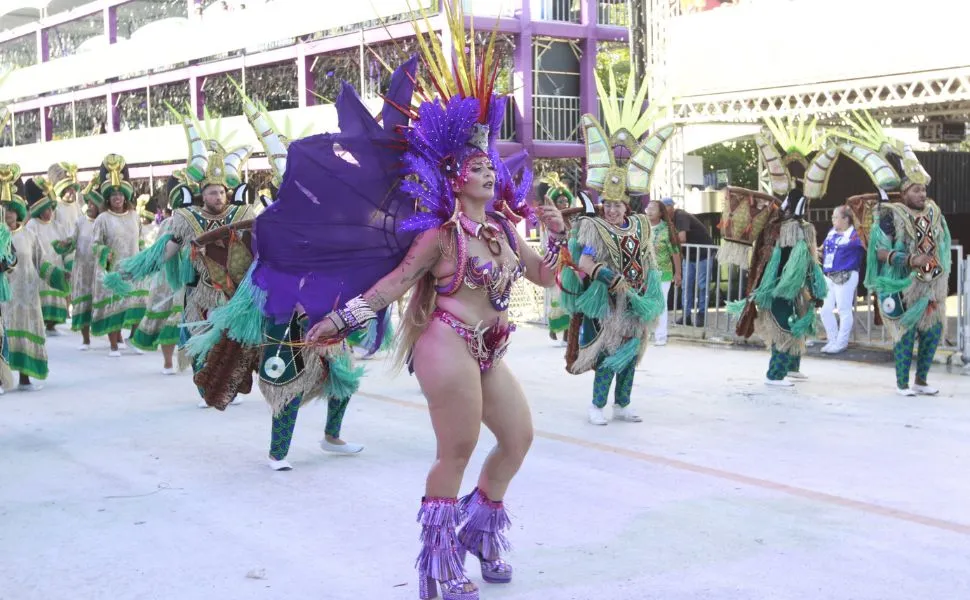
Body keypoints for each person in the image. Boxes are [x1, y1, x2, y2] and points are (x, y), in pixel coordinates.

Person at [248, 13, 567, 596]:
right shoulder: (440, 235)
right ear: (454, 175)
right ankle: (439, 563)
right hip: (445, 340)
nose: (488, 170)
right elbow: (394, 284)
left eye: (490, 163)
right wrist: (341, 320)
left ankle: (479, 530)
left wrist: (559, 235)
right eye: (476, 165)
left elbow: (546, 278)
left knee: (518, 438)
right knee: (459, 447)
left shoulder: (500, 228)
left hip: (490, 347)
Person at [103, 112, 254, 406]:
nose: (218, 197)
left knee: (231, 343)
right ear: (202, 194)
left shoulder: (242, 215)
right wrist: (129, 273)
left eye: (222, 192)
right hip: (199, 293)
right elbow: (166, 250)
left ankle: (226, 387)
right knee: (198, 343)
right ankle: (204, 390)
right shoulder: (187, 220)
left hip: (231, 294)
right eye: (212, 192)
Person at [560, 69, 670, 425]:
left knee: (632, 354)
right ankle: (597, 406)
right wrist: (609, 277)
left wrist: (649, 287)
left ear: (627, 205)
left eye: (617, 205)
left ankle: (623, 404)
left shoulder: (640, 225)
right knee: (608, 354)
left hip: (637, 300)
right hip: (606, 303)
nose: (611, 209)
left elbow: (648, 259)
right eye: (607, 204)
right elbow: (585, 262)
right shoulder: (592, 227)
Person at [847, 116, 952, 396]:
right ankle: (903, 384)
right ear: (904, 192)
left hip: (930, 285)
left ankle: (922, 382)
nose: (923, 193)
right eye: (917, 190)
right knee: (905, 337)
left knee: (931, 334)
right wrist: (908, 260)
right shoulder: (891, 216)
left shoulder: (934, 213)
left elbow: (941, 243)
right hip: (902, 287)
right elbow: (879, 252)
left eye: (924, 189)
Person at [1, 169, 70, 390]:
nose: (8, 214)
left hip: (27, 296)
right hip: (4, 298)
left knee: (26, 332)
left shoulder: (29, 235)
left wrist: (61, 276)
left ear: (19, 211)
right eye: (3, 209)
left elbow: (42, 263)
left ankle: (24, 377)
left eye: (12, 210)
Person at [90, 155, 147, 357]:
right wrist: (105, 253)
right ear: (108, 199)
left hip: (134, 267)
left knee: (138, 304)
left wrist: (144, 258)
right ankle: (114, 345)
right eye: (113, 195)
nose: (117, 198)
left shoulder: (134, 216)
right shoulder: (102, 219)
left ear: (125, 196)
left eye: (120, 194)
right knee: (115, 307)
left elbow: (140, 239)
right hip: (114, 270)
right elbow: (94, 244)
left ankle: (133, 339)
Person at [53, 176, 104, 349]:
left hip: (100, 268)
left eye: (93, 204)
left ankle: (115, 336)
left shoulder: (104, 221)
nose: (89, 206)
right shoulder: (81, 221)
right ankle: (86, 339)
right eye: (88, 203)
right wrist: (64, 244)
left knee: (104, 301)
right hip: (82, 268)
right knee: (83, 302)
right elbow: (73, 239)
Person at [23, 177, 69, 333]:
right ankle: (41, 321)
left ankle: (53, 322)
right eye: (45, 210)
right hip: (39, 268)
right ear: (38, 211)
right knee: (41, 295)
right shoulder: (32, 225)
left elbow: (66, 247)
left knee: (56, 293)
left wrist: (66, 252)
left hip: (56, 265)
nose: (48, 213)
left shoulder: (58, 226)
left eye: (50, 209)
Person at [537, 173, 576, 343]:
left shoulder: (573, 219)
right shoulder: (548, 222)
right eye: (559, 201)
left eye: (565, 201)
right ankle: (555, 327)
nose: (564, 204)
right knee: (556, 296)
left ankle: (568, 333)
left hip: (571, 263)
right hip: (556, 263)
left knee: (569, 295)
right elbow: (546, 242)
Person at [819, 205, 864, 354]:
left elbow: (866, 246)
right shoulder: (832, 233)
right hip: (829, 276)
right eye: (832, 217)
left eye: (835, 217)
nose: (832, 220)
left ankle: (841, 342)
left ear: (846, 219)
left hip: (846, 275)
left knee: (844, 309)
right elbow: (823, 248)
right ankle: (832, 340)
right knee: (825, 310)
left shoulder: (855, 235)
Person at [645, 199, 682, 345]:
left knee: (661, 304)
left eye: (653, 208)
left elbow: (675, 252)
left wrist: (677, 273)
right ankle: (647, 333)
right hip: (645, 273)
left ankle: (660, 336)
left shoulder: (667, 229)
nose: (649, 210)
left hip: (663, 273)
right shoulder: (642, 228)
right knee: (646, 303)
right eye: (648, 207)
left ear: (661, 213)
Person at [673, 201, 715, 326]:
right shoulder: (669, 220)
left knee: (702, 285)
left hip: (703, 254)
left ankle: (701, 315)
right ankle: (686, 316)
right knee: (686, 286)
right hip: (689, 255)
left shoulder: (680, 215)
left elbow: (682, 238)